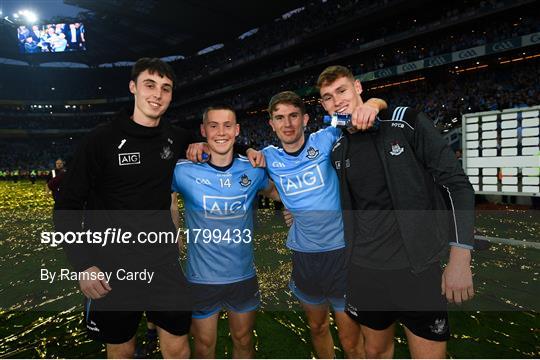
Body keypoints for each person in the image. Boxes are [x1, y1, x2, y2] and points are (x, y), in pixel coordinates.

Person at [318, 65, 475, 358]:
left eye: (341, 90)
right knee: (375, 353)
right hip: (364, 272)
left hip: (417, 269)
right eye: (327, 97)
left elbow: (457, 185)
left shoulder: (406, 122)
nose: (336, 100)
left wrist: (460, 258)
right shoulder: (338, 148)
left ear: (358, 88)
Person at [55, 58, 207, 358]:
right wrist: (83, 265)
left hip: (163, 264)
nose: (157, 94)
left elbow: (215, 143)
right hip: (112, 266)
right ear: (133, 88)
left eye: (166, 88)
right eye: (150, 85)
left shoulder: (176, 137)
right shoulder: (101, 140)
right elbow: (67, 206)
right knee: (121, 349)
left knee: (178, 345)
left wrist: (202, 143)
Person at [248, 91, 386, 358]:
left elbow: (373, 112)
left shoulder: (327, 137)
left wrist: (371, 103)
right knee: (317, 327)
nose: (287, 124)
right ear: (271, 124)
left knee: (350, 337)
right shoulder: (267, 157)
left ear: (305, 119)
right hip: (305, 258)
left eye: (293, 116)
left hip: (341, 253)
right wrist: (286, 201)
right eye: (279, 118)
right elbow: (264, 186)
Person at [172, 105, 279, 358]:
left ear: (237, 130)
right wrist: (172, 230)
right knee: (204, 345)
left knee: (243, 341)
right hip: (201, 279)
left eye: (227, 125)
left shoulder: (252, 169)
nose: (221, 132)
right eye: (213, 125)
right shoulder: (183, 169)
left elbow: (277, 192)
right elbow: (158, 193)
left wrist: (295, 211)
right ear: (203, 130)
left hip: (242, 277)